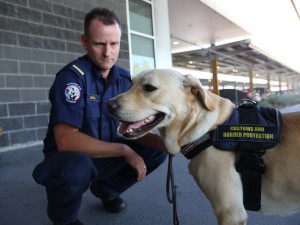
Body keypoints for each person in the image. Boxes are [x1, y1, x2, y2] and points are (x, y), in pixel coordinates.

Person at [33, 7, 167, 225]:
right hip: (70, 158)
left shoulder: (125, 80)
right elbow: (67, 141)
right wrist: (124, 150)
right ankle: (63, 218)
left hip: (106, 153)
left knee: (156, 150)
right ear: (85, 42)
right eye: (99, 44)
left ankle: (106, 189)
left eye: (114, 44)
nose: (108, 52)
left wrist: (163, 142)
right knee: (75, 168)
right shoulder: (72, 79)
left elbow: (130, 129)